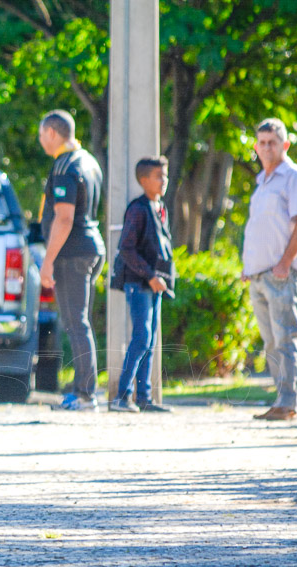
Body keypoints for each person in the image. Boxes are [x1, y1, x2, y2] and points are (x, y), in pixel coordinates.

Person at [242, 118, 297, 421]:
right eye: (262, 142)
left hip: (282, 274)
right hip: (258, 275)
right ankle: (280, 399)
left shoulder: (295, 177)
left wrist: (285, 262)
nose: (266, 147)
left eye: (273, 141)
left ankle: (289, 402)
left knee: (285, 337)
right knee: (271, 341)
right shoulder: (261, 182)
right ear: (256, 147)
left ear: (285, 145)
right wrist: (249, 267)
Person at [36, 110, 105, 412]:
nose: (41, 142)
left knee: (76, 323)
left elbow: (64, 219)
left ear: (52, 132)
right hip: (89, 246)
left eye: (41, 135)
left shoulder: (65, 167)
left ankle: (85, 395)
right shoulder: (88, 160)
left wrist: (47, 261)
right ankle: (84, 391)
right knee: (80, 322)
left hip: (72, 252)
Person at [109, 156, 174, 414]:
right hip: (139, 283)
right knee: (142, 336)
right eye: (158, 176)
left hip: (155, 284)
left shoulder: (160, 207)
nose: (164, 181)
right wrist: (149, 275)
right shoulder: (137, 209)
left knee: (151, 338)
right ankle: (122, 396)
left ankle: (145, 397)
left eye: (165, 176)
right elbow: (126, 248)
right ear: (143, 180)